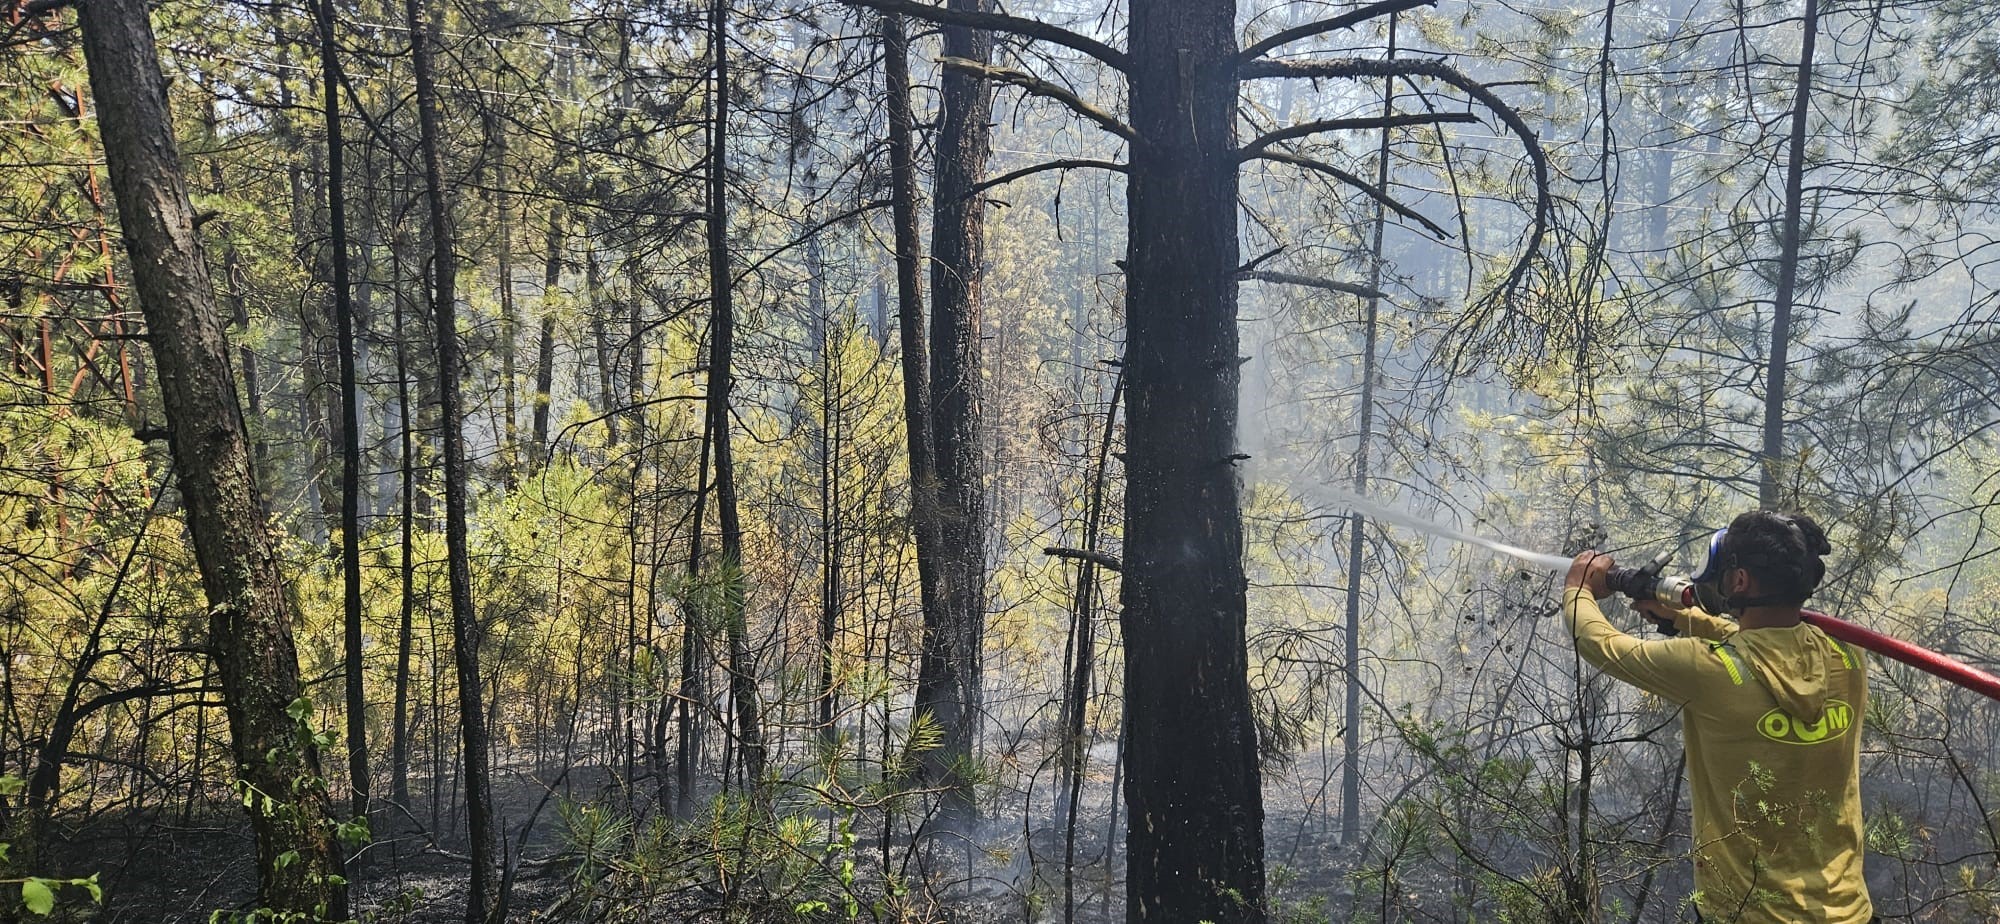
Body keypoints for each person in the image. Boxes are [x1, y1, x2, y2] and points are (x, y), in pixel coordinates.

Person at [1564, 510, 1873, 923]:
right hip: (1848, 910)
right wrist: (1682, 618)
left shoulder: (1709, 671)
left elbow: (1599, 643)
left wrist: (1578, 588)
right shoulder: (1848, 658)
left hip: (1749, 915)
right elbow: (1763, 647)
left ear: (1740, 581)